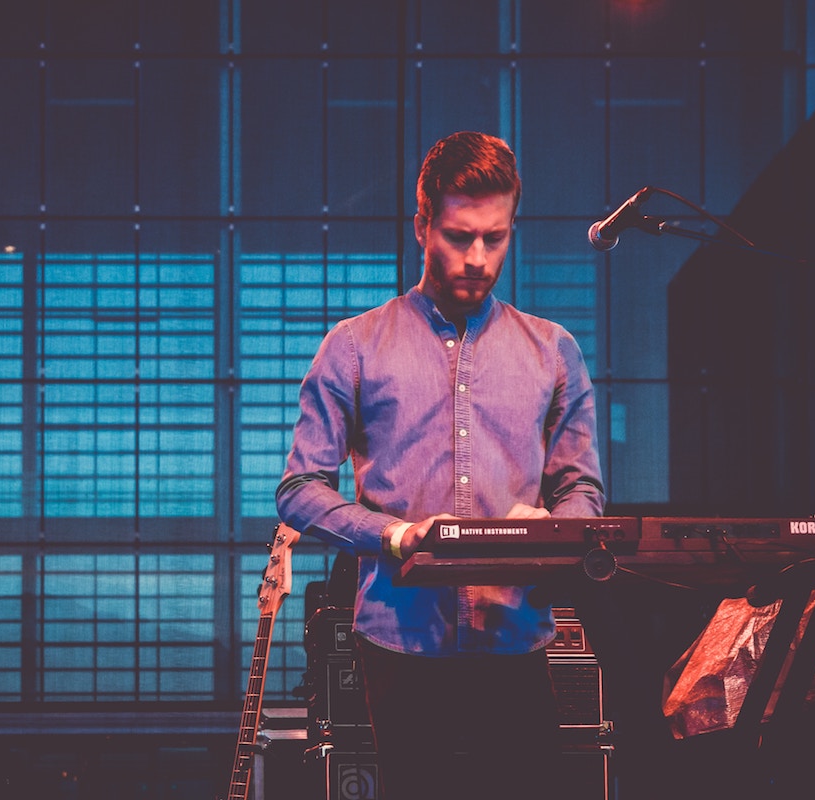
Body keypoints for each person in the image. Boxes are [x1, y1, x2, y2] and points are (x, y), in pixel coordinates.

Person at [275, 131, 605, 798]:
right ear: (422, 225)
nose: (478, 258)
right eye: (459, 236)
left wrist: (551, 530)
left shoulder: (554, 351)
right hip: (399, 642)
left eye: (495, 237)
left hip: (516, 636)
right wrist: (395, 535)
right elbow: (300, 488)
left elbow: (583, 490)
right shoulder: (353, 346)